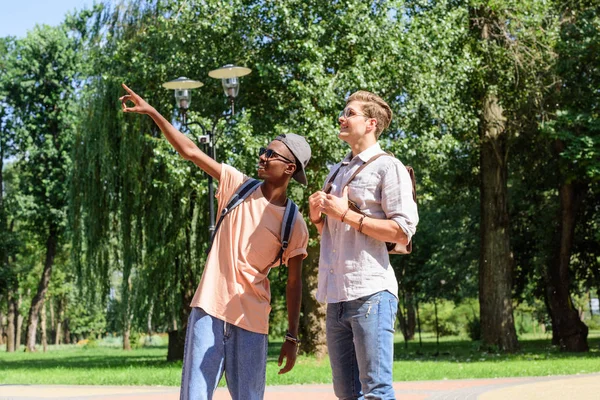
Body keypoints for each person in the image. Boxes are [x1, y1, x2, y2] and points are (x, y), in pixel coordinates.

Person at [119, 84, 311, 400]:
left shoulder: (294, 222)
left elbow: (294, 283)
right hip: (208, 308)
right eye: (263, 150)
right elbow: (191, 151)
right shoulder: (237, 186)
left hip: (251, 319)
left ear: (290, 168)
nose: (262, 156)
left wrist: (292, 337)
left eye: (270, 154)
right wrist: (154, 112)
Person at [308, 90, 418, 399]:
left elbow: (402, 231)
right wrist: (318, 219)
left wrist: (344, 214)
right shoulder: (336, 171)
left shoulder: (389, 167)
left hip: (371, 293)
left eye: (349, 113)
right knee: (346, 394)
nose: (341, 118)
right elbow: (333, 236)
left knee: (377, 391)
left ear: (370, 123)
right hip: (336, 297)